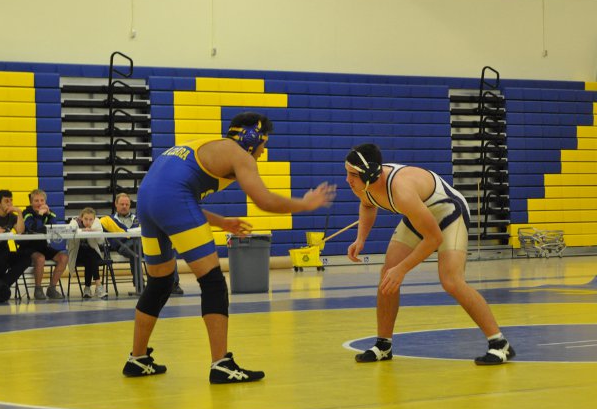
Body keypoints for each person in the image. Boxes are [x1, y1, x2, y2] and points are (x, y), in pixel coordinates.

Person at [122, 111, 336, 383]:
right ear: (251, 139)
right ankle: (221, 364)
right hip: (170, 200)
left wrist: (221, 221)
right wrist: (306, 204)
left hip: (146, 202)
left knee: (160, 283)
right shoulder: (239, 155)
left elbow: (172, 196)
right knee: (212, 281)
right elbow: (264, 201)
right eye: (263, 146)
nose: (262, 153)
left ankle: (137, 359)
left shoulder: (207, 145)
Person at [344, 143, 515, 365]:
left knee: (451, 281)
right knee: (387, 273)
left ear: (369, 174)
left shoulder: (401, 190)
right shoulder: (364, 185)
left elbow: (434, 239)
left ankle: (500, 344)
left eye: (352, 175)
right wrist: (361, 239)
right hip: (420, 213)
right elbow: (368, 206)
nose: (348, 180)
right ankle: (383, 345)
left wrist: (403, 269)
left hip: (448, 211)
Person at [101, 193, 184, 295]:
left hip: (142, 244)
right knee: (135, 251)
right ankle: (140, 286)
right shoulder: (107, 220)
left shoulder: (139, 218)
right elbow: (93, 224)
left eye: (126, 204)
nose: (124, 207)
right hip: (124, 245)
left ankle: (173, 284)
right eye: (122, 204)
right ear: (116, 204)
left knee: (166, 250)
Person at [20, 189, 68, 300]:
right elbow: (35, 228)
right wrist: (40, 215)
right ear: (31, 202)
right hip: (27, 246)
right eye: (36, 201)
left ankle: (52, 288)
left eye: (42, 200)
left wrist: (48, 214)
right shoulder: (26, 213)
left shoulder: (49, 212)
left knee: (64, 257)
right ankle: (38, 289)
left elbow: (54, 228)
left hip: (43, 246)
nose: (39, 203)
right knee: (40, 258)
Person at [67, 207, 107, 299]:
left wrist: (93, 230)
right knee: (90, 256)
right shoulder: (74, 222)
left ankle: (87, 288)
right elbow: (70, 232)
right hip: (77, 254)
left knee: (90, 256)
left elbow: (101, 241)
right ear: (81, 218)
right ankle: (98, 286)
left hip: (91, 254)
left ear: (94, 219)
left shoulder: (96, 223)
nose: (88, 222)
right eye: (85, 219)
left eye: (90, 219)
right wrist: (81, 231)